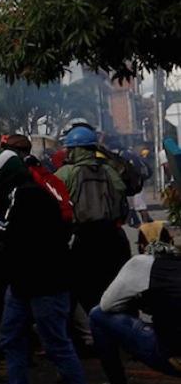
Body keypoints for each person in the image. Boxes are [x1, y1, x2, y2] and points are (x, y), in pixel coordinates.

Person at [0, 149, 95, 384]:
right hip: (25, 283)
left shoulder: (26, 196)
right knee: (11, 336)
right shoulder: (25, 193)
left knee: (56, 344)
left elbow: (8, 231)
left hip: (45, 283)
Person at [88, 224, 181, 384]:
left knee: (97, 316)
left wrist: (137, 300)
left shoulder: (141, 263)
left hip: (172, 357)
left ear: (141, 245)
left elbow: (107, 305)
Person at [55, 122, 131, 316]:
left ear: (76, 150)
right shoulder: (110, 171)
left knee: (85, 295)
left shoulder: (66, 174)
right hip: (114, 239)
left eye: (70, 149)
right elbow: (122, 193)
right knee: (115, 292)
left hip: (84, 241)